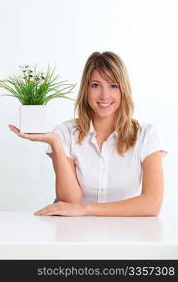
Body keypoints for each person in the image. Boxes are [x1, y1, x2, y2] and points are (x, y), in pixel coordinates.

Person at [9, 51, 168, 217]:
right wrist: (55, 144)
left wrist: (87, 209)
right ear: (86, 89)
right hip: (75, 233)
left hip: (126, 232)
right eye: (95, 85)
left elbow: (152, 204)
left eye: (113, 85)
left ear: (123, 90)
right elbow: (71, 202)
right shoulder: (64, 133)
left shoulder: (147, 135)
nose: (104, 95)